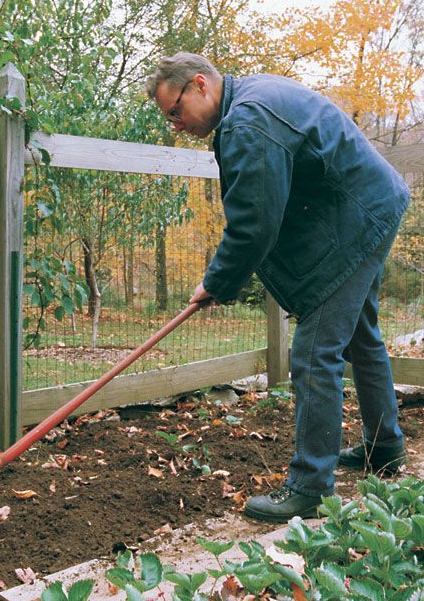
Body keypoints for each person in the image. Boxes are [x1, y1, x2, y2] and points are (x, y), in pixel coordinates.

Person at [146, 53, 410, 522]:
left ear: (201, 85)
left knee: (313, 353)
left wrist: (216, 282)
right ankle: (384, 446)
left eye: (175, 111)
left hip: (359, 217)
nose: (177, 125)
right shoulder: (250, 100)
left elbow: (254, 224)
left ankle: (310, 489)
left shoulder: (248, 121)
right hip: (369, 205)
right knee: (360, 336)